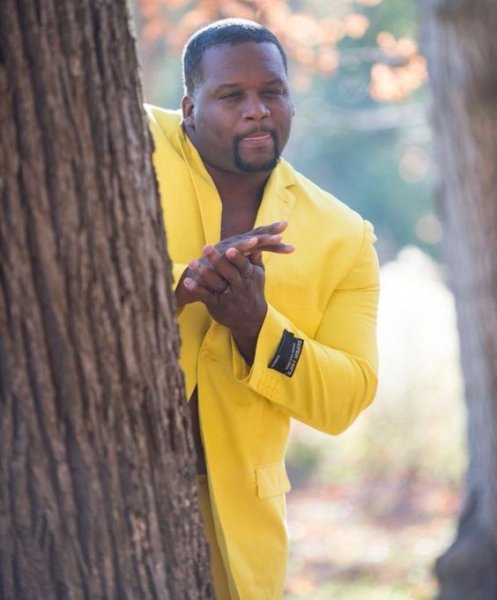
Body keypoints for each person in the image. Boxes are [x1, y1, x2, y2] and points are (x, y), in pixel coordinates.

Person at [145, 18, 379, 600]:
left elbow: (347, 395)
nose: (257, 111)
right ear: (190, 108)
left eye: (272, 92)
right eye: (232, 96)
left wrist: (259, 329)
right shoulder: (130, 140)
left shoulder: (342, 235)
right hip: (92, 486)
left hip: (236, 527)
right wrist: (183, 285)